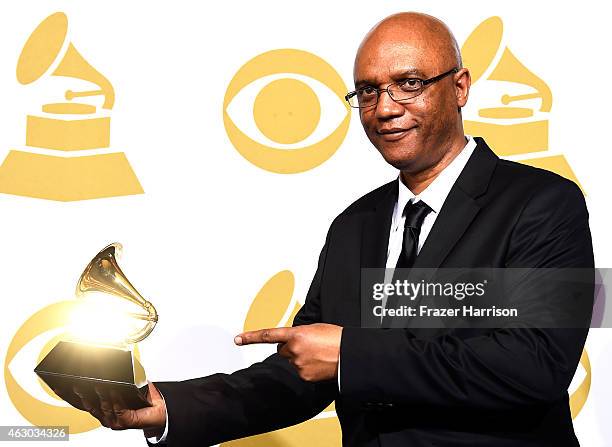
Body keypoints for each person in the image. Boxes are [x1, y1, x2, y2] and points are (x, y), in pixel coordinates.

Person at [57, 12, 594, 446]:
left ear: (459, 88)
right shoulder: (353, 226)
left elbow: (534, 365)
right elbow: (301, 376)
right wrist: (167, 406)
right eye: (367, 91)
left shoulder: (543, 203)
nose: (385, 109)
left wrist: (354, 355)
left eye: (408, 85)